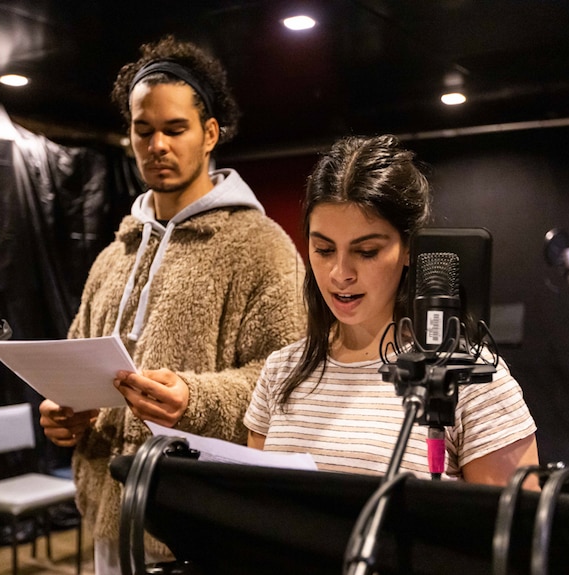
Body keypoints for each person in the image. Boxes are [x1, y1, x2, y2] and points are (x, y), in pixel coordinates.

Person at [39, 36, 305, 574]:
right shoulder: (115, 253)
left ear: (210, 134)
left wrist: (197, 398)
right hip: (109, 519)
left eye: (174, 129)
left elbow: (288, 378)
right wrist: (62, 412)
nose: (157, 144)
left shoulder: (260, 246)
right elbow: (72, 361)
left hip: (199, 528)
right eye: (144, 130)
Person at [244, 135, 538, 486]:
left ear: (410, 248)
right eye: (323, 250)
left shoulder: (470, 379)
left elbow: (516, 533)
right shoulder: (280, 372)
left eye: (366, 251)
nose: (340, 274)